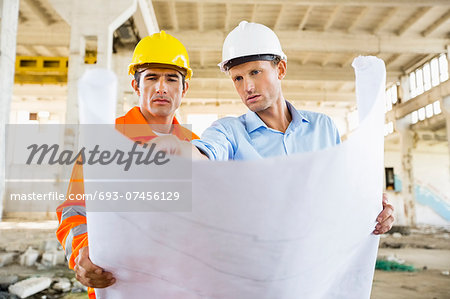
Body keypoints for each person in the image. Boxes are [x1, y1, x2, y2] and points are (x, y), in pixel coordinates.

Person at [155, 21, 394, 234]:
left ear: (280, 69)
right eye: (237, 78)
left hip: (316, 267)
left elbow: (340, 192)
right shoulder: (228, 132)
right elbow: (205, 155)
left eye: (255, 72)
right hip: (259, 268)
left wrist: (373, 209)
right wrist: (177, 149)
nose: (247, 86)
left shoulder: (323, 127)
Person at [55, 31, 199, 299]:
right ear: (136, 85)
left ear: (184, 88)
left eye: (171, 79)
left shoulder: (196, 147)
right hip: (118, 287)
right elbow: (73, 210)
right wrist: (83, 254)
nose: (161, 88)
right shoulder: (106, 140)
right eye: (151, 78)